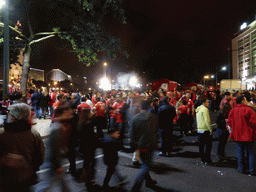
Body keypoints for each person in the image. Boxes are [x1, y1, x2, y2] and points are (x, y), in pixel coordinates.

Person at [0, 103, 45, 191]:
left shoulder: (2, 133)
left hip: (5, 180)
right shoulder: (34, 134)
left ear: (13, 117)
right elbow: (40, 158)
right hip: (27, 178)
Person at [130, 100, 158, 191]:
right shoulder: (153, 117)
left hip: (139, 144)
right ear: (149, 106)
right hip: (150, 144)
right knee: (146, 165)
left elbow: (132, 133)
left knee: (145, 163)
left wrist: (133, 144)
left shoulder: (135, 118)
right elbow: (156, 130)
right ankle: (136, 186)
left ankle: (148, 181)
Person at [227, 95, 256, 175]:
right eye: (246, 100)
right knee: (251, 153)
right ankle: (252, 170)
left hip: (237, 135)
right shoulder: (249, 110)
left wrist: (235, 127)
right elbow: (254, 123)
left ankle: (241, 169)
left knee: (240, 152)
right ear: (243, 101)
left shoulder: (233, 110)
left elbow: (229, 122)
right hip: (249, 135)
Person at [48, 105, 74, 190]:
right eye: (67, 113)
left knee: (59, 181)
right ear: (61, 115)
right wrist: (58, 164)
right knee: (52, 182)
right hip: (55, 161)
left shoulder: (61, 124)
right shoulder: (57, 128)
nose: (70, 115)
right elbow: (55, 148)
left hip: (57, 159)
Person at [78, 108, 98, 190]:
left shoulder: (81, 122)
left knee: (86, 163)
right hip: (89, 146)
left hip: (84, 146)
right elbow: (92, 136)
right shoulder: (89, 124)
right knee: (91, 162)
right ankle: (88, 180)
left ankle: (87, 179)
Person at [196, 98, 212, 165]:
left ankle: (202, 159)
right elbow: (207, 120)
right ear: (203, 103)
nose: (208, 103)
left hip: (199, 129)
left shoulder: (198, 109)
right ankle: (207, 160)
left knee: (201, 146)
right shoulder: (205, 110)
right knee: (208, 146)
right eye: (207, 102)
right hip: (205, 130)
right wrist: (210, 129)